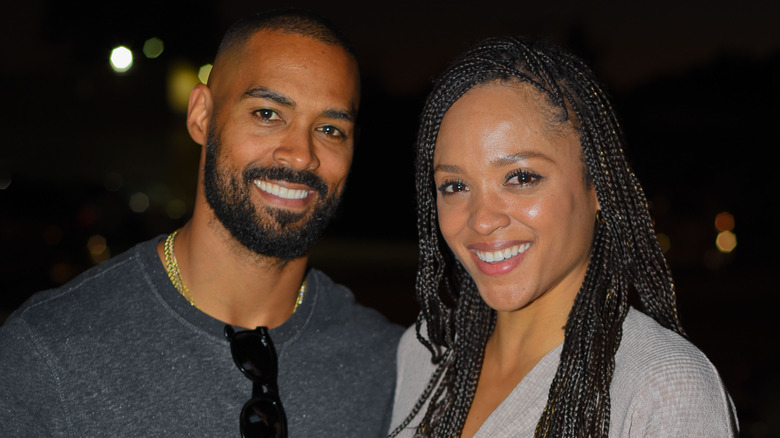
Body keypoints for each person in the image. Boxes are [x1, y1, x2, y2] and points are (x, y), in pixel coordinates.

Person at [0, 8, 403, 437]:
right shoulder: (47, 354)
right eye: (267, 114)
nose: (301, 154)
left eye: (330, 129)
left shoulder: (387, 364)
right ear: (201, 117)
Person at [388, 36, 738, 437]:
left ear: (598, 188)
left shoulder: (661, 385)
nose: (482, 220)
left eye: (521, 177)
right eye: (454, 186)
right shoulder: (425, 357)